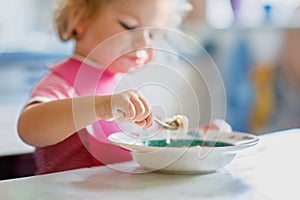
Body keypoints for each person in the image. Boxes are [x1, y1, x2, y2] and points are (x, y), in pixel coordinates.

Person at [17, 0, 172, 174]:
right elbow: (30, 128)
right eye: (129, 26)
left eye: (152, 34)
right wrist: (101, 106)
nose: (143, 43)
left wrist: (189, 135)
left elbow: (149, 135)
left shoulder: (122, 84)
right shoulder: (64, 83)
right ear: (80, 18)